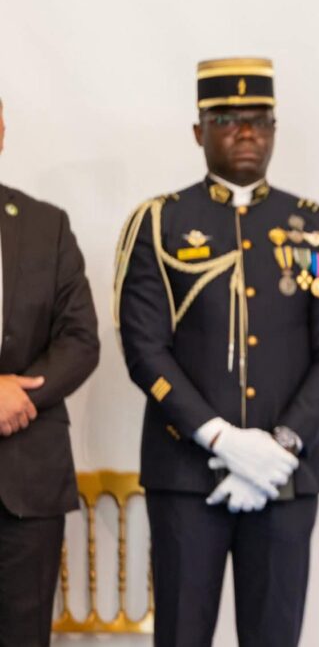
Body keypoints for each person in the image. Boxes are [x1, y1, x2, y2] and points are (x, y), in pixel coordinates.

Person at [114, 59, 319, 647]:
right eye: (228, 120)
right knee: (181, 635)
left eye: (259, 120)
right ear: (199, 130)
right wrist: (223, 440)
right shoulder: (160, 222)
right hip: (185, 474)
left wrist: (279, 447)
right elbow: (144, 347)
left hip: (284, 477)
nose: (247, 132)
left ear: (274, 129)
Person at [0, 96, 101, 646]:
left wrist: (19, 397)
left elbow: (80, 340)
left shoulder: (46, 226)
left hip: (27, 484)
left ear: (1, 131)